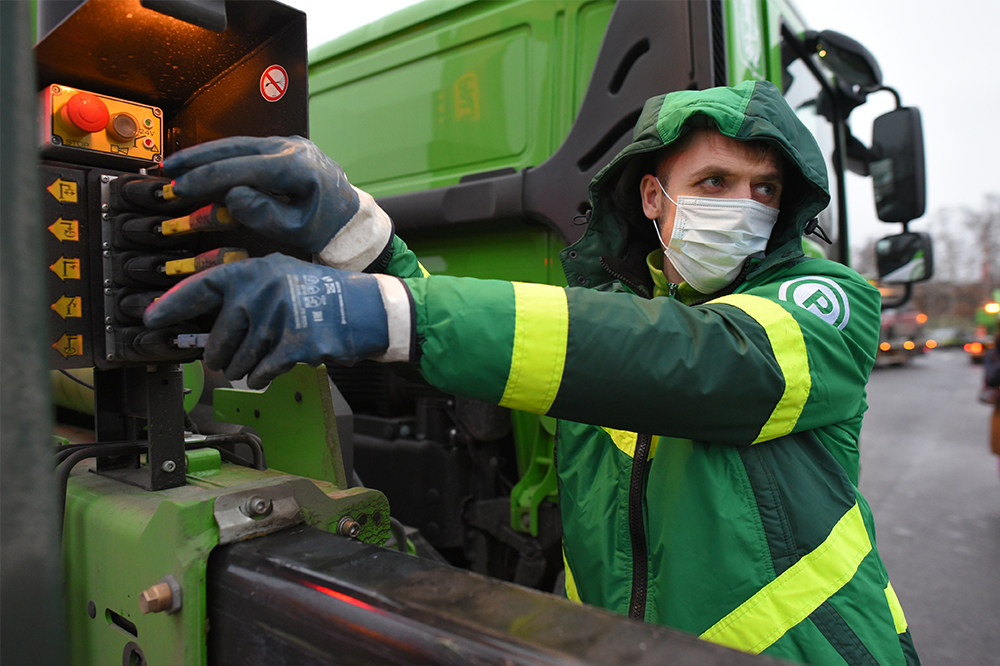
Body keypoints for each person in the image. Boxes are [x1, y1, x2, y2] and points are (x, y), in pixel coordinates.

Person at [145, 81, 919, 665]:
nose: (744, 208)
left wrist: (375, 310)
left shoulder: (827, 303)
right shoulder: (598, 321)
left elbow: (704, 360)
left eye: (765, 191)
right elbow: (499, 360)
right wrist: (354, 231)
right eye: (715, 183)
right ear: (654, 197)